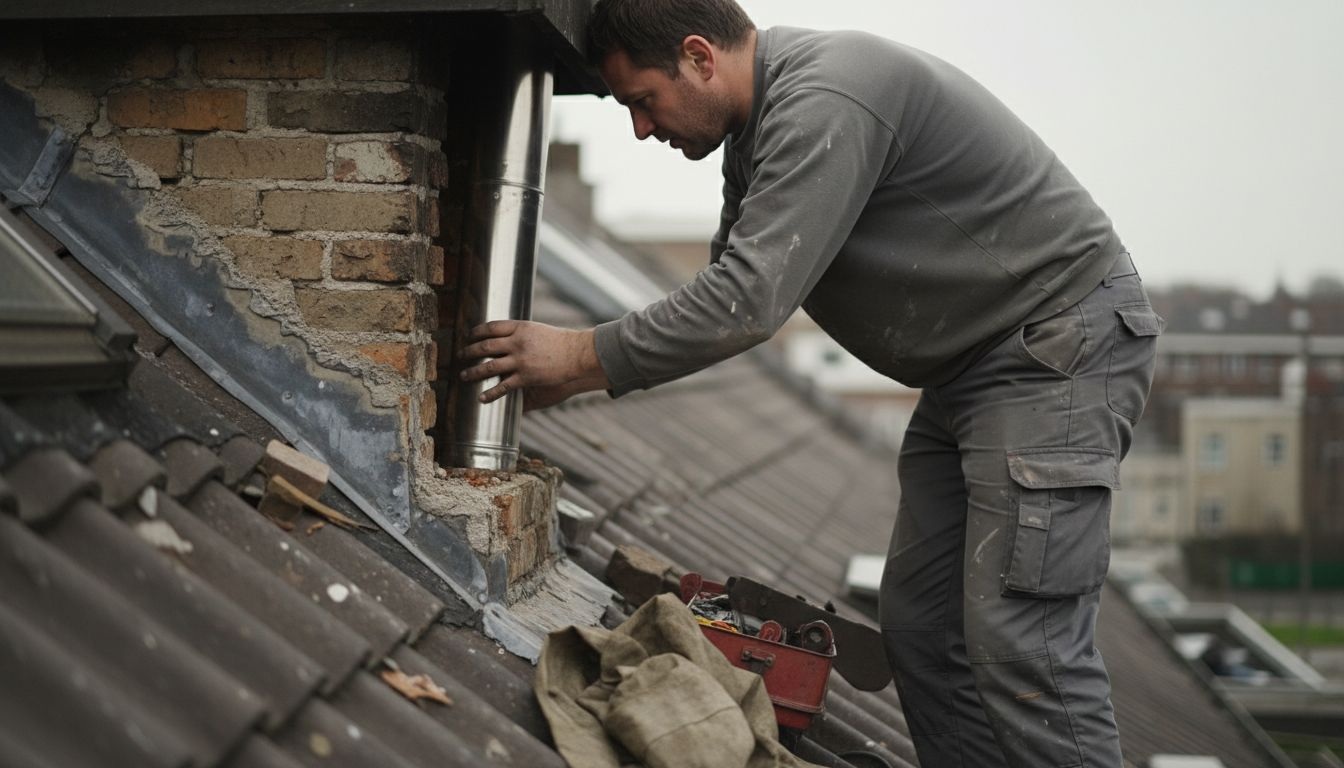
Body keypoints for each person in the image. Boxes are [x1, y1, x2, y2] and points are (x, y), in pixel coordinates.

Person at [460, 1, 1163, 765]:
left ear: (699, 56)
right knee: (923, 623)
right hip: (974, 370)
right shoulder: (755, 134)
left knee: (1025, 640)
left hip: (1052, 349)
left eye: (641, 101)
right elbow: (722, 292)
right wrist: (588, 368)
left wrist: (576, 357)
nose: (640, 128)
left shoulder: (825, 99)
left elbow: (745, 302)